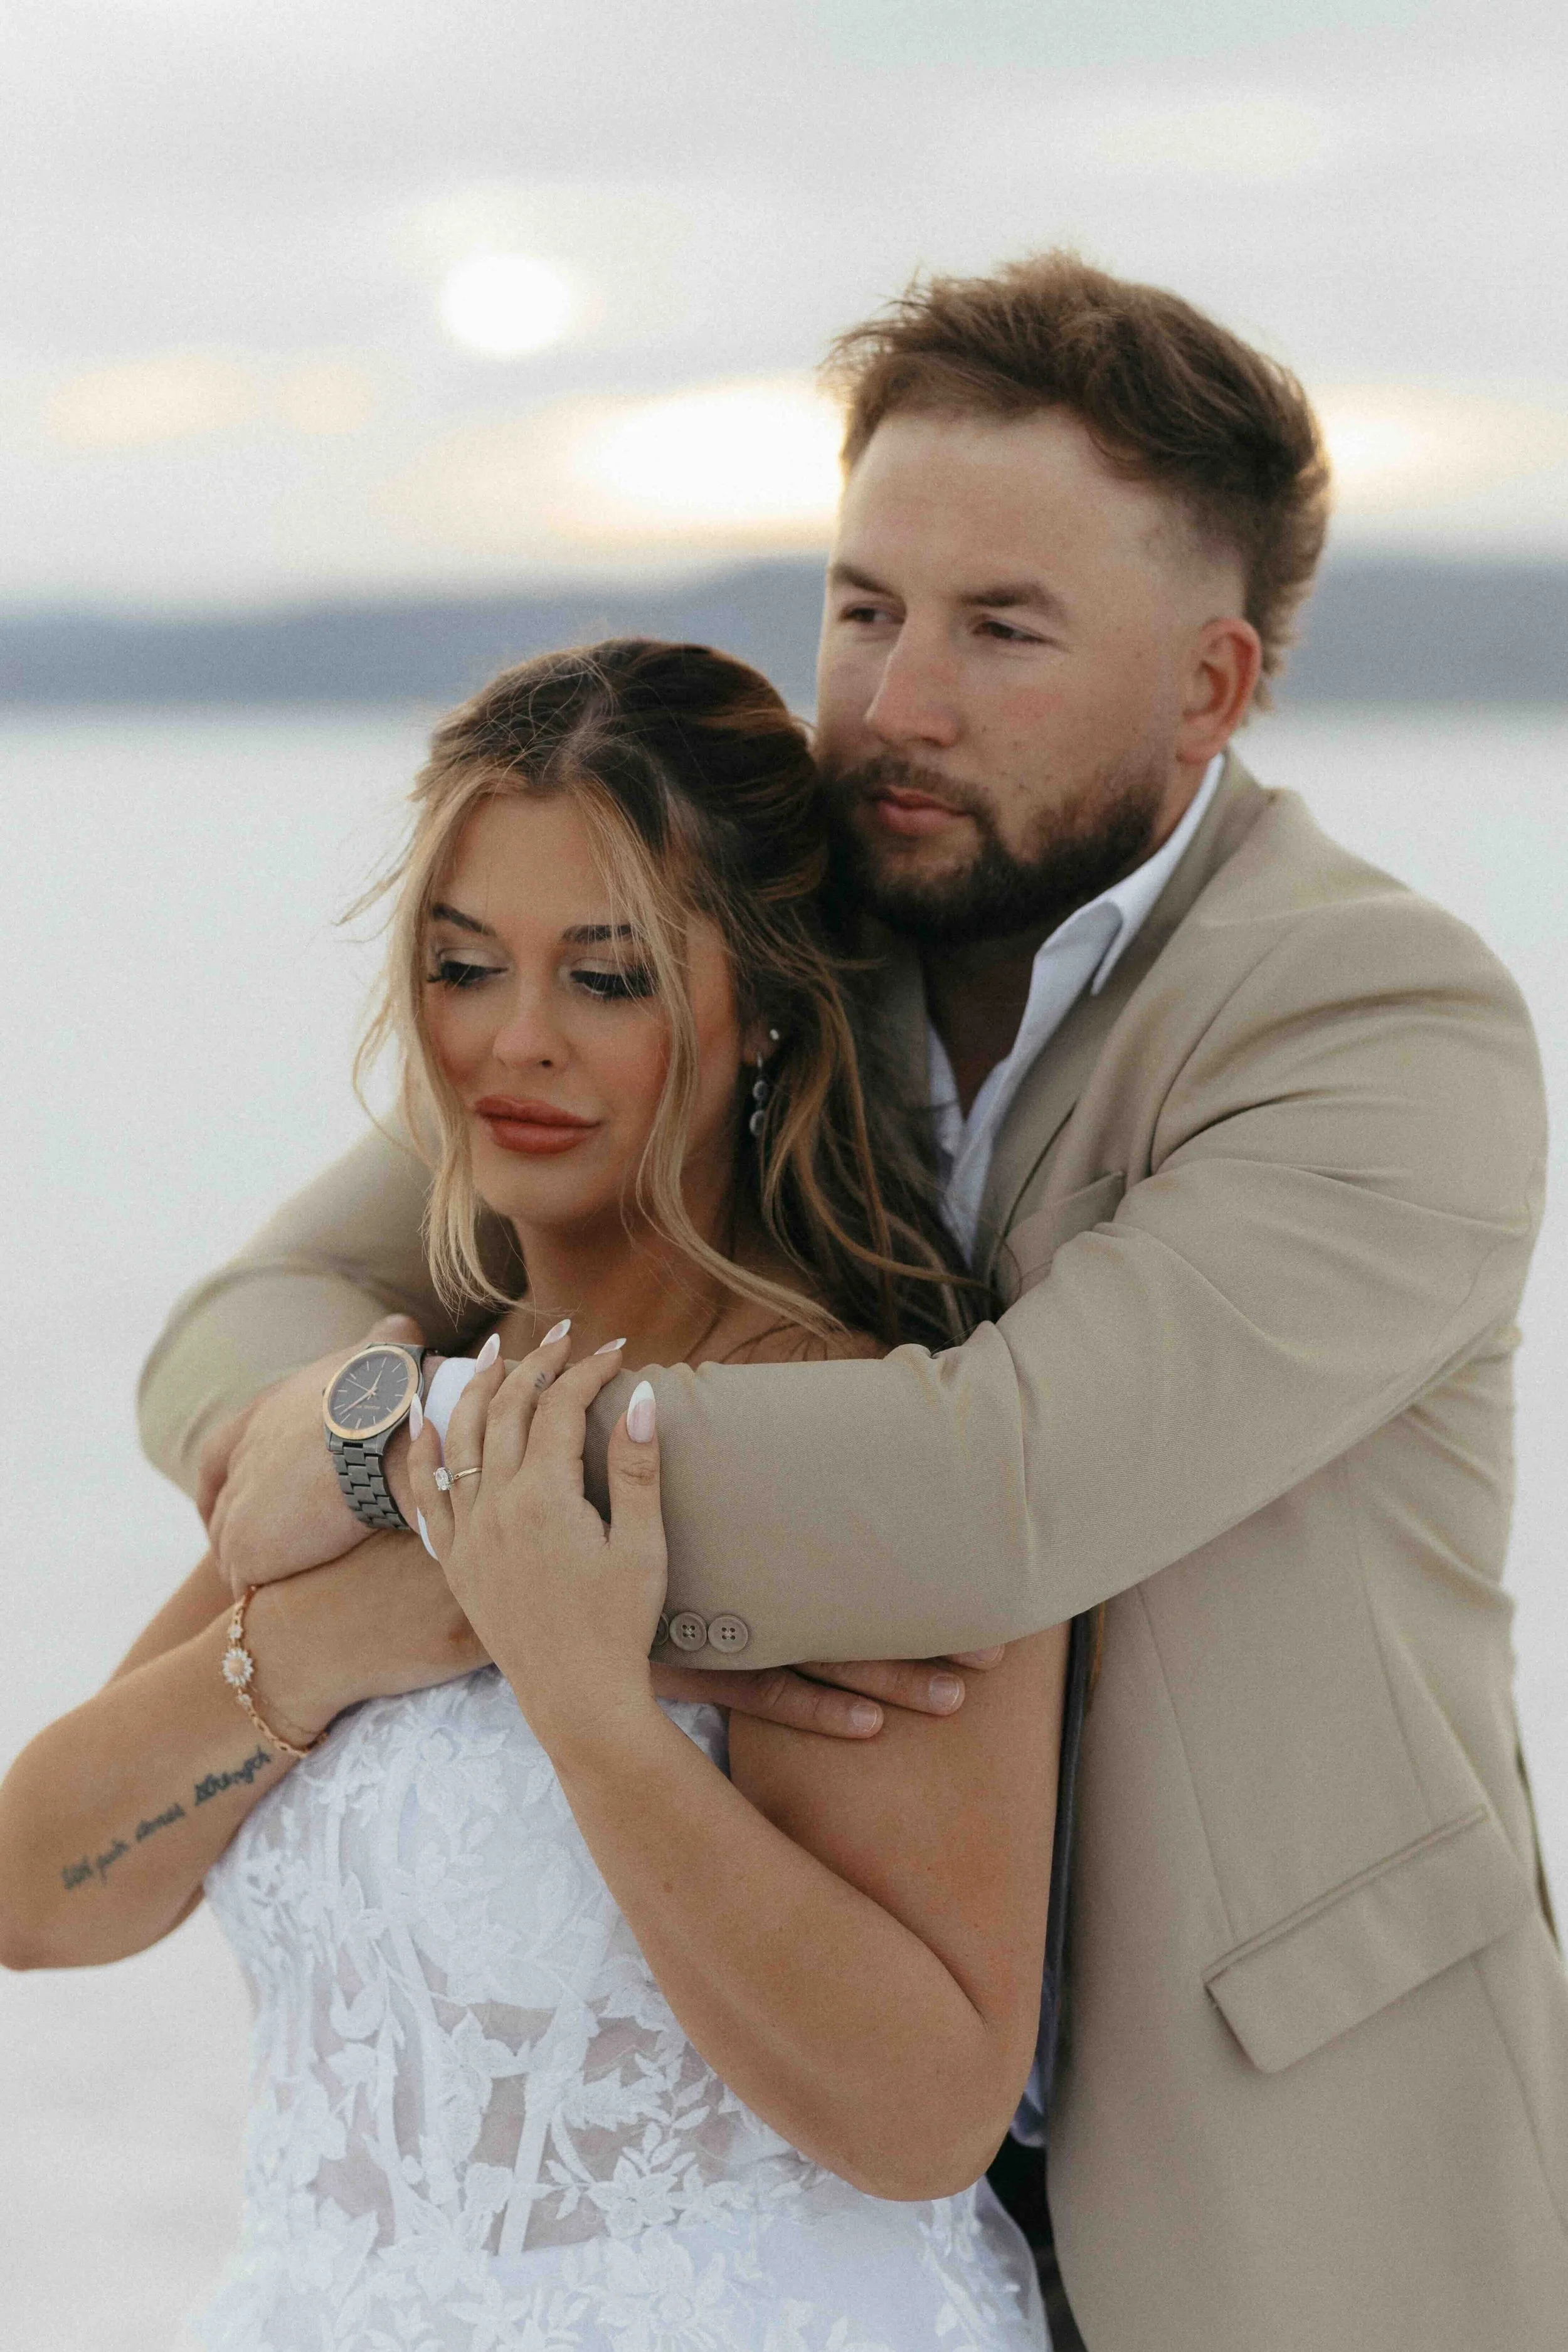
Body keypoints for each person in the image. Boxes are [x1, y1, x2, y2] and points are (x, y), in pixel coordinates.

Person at [139, 255, 1567, 2352]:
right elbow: (255, 1305)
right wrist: (338, 1427)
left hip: (1279, 2168)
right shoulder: (776, 933)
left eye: (1001, 628)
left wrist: (422, 1483)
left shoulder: (1378, 1025)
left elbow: (994, 1492)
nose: (895, 701)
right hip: (819, 2194)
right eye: (865, 606)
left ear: (1208, 685)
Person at [0, 640, 1065, 2349]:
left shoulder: (855, 1440)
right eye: (463, 964)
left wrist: (585, 1703)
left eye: (608, 976)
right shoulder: (398, 1418)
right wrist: (363, 1628)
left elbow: (924, 2112)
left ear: (765, 1003)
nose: (514, 1041)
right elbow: (42, 1893)